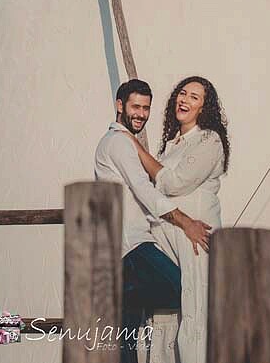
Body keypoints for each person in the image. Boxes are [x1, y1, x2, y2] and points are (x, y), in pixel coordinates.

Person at [95, 79, 213, 363]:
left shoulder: (126, 142)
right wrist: (186, 222)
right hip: (132, 245)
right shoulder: (118, 142)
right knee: (180, 289)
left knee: (127, 341)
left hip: (128, 246)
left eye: (146, 108)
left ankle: (124, 296)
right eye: (135, 106)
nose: (141, 114)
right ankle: (124, 294)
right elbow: (144, 190)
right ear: (119, 105)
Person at [124, 76, 230, 363]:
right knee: (165, 310)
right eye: (182, 93)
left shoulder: (209, 140)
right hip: (166, 233)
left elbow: (174, 183)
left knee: (196, 305)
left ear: (204, 108)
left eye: (194, 97)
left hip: (195, 234)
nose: (184, 99)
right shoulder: (170, 145)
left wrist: (135, 148)